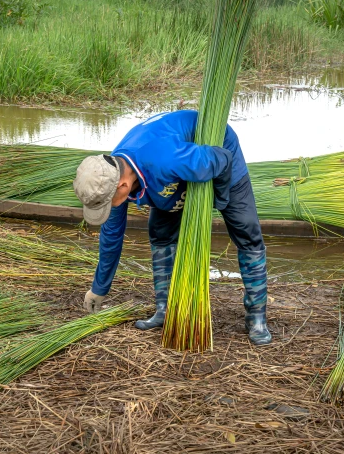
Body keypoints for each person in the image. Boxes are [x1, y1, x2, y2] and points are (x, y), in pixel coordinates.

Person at [72, 110, 271, 345]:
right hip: (178, 163)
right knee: (160, 233)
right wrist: (99, 287)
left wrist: (217, 200)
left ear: (124, 186)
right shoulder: (111, 175)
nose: (110, 207)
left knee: (246, 232)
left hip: (216, 152)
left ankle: (256, 318)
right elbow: (112, 234)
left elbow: (222, 157)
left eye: (108, 204)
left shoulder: (165, 160)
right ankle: (164, 310)